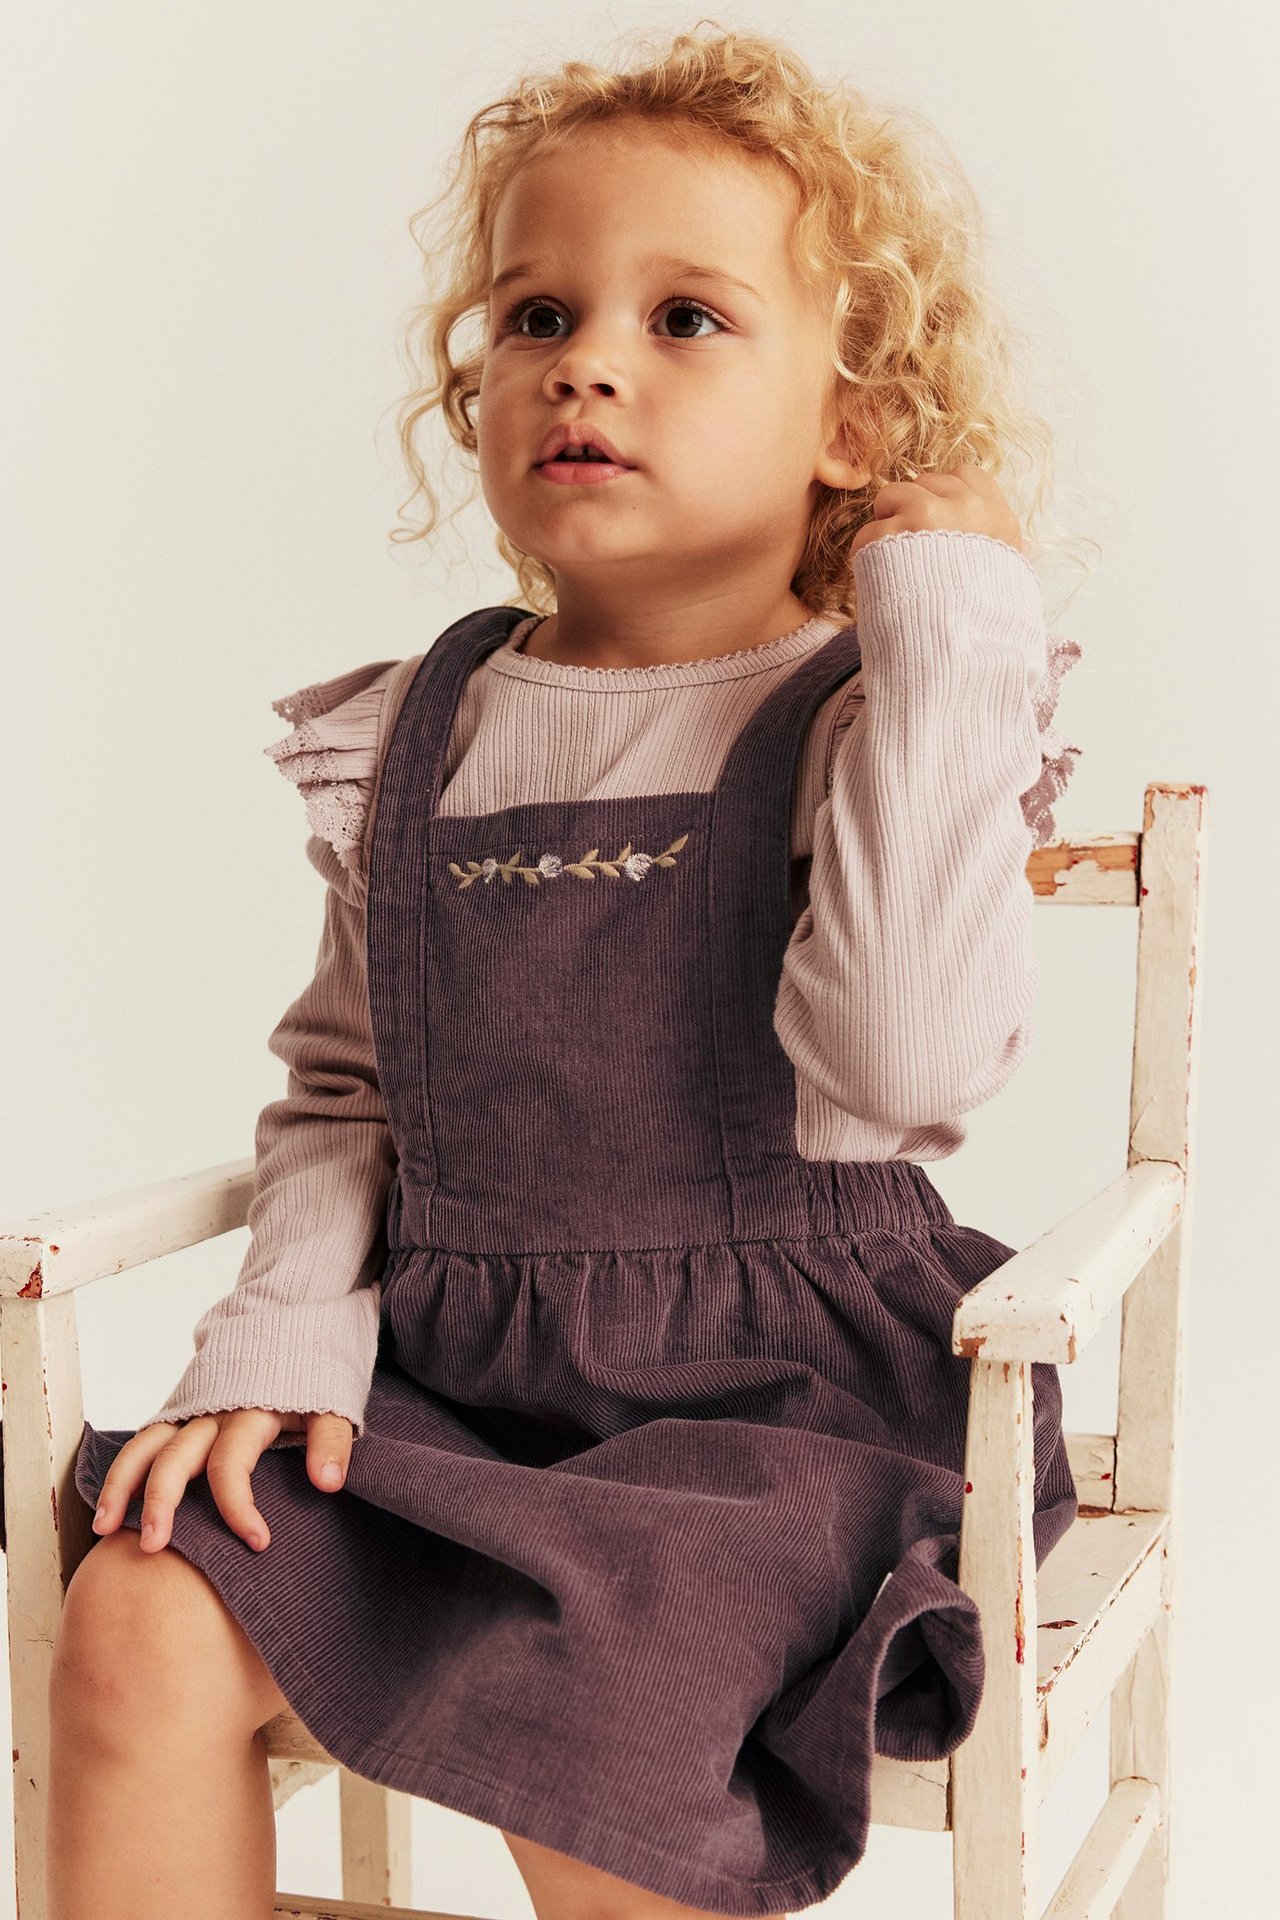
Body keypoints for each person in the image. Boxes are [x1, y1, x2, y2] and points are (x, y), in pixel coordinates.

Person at [52, 23, 1088, 1920]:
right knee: (135, 1609)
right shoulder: (420, 730)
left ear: (854, 423)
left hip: (782, 1412)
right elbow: (357, 1087)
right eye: (537, 313)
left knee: (588, 1717)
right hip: (456, 1386)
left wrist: (948, 632)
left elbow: (903, 1060)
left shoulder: (873, 711)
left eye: (688, 317)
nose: (586, 358)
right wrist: (286, 1320)